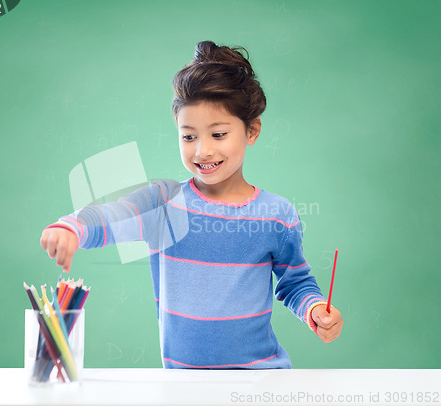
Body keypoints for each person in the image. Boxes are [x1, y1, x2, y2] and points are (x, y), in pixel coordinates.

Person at [40, 40, 343, 369]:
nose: (202, 152)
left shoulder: (278, 215)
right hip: (182, 384)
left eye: (218, 135)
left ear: (251, 130)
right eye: (188, 136)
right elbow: (107, 218)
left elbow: (295, 282)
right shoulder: (162, 202)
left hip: (261, 377)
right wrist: (70, 228)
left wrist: (315, 309)